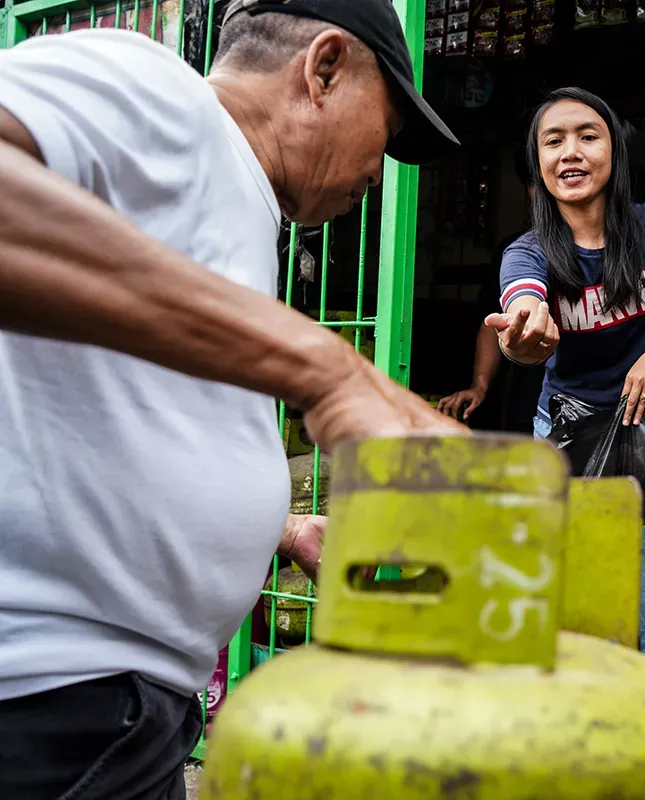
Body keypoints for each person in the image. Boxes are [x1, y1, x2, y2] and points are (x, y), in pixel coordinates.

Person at [0, 0, 463, 796]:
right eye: (384, 133)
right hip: (51, 705)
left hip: (125, 711)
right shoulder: (158, 90)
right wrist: (327, 368)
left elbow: (101, 402)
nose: (375, 171)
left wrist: (282, 530)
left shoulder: (239, 201)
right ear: (323, 70)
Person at [489, 87, 645, 677]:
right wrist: (522, 338)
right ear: (537, 162)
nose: (571, 152)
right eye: (554, 140)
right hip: (571, 438)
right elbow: (524, 310)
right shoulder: (528, 251)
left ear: (615, 149)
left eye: (588, 136)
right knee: (582, 606)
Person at [437, 151, 544, 433]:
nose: (540, 191)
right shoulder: (515, 250)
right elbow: (490, 321)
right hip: (531, 406)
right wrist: (480, 385)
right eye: (533, 183)